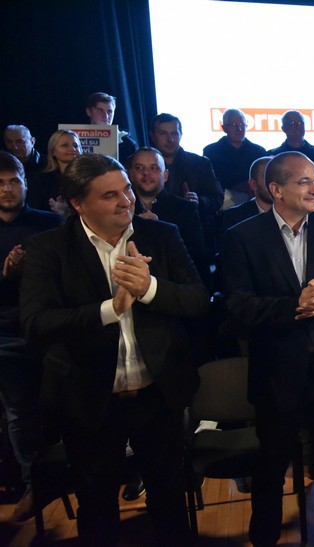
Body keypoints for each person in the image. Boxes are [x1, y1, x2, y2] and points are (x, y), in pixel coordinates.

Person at [20, 153, 209, 544]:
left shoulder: (161, 234)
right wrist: (110, 309)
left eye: (126, 189)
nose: (126, 200)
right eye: (110, 195)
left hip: (157, 394)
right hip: (89, 398)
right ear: (78, 203)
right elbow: (37, 324)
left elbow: (198, 300)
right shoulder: (48, 248)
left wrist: (150, 289)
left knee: (169, 499)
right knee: (97, 505)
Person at [222, 151, 314, 547]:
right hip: (276, 372)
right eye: (304, 181)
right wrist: (293, 306)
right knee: (270, 467)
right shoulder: (242, 236)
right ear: (276, 189)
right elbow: (238, 305)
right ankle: (264, 538)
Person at [0, 152, 62, 522]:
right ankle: (33, 483)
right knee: (18, 412)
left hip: (51, 329)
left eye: (13, 181)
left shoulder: (48, 223)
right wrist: (5, 276)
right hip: (6, 335)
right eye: (0, 183)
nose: (7, 189)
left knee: (65, 405)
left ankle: (73, 473)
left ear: (25, 182)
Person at [128, 147, 210, 287]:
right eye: (139, 168)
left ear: (165, 175)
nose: (146, 173)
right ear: (131, 174)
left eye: (154, 168)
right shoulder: (121, 209)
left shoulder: (186, 209)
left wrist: (159, 229)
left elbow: (197, 259)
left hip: (172, 287)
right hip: (129, 283)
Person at [149, 113, 223, 256]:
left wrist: (199, 200)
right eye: (163, 133)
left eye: (174, 133)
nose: (170, 139)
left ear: (181, 134)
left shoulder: (200, 164)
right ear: (152, 135)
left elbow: (217, 198)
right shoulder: (141, 166)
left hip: (195, 238)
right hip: (155, 237)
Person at [268, 110, 314, 207]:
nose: (297, 126)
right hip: (287, 207)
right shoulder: (274, 156)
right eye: (292, 123)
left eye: (300, 123)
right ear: (283, 128)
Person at [203, 109, 267, 208]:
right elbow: (211, 186)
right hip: (223, 204)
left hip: (256, 204)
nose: (239, 129)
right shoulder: (211, 151)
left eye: (242, 124)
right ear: (224, 128)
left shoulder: (259, 151)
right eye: (233, 125)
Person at [27, 129, 82, 216]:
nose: (72, 149)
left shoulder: (88, 179)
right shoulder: (41, 180)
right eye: (65, 145)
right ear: (53, 152)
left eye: (75, 145)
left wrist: (68, 211)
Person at [219, 155, 274, 236]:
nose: (275, 183)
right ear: (253, 184)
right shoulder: (233, 217)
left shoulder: (293, 212)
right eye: (268, 177)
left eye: (279, 177)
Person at [85, 92, 138, 161]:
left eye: (109, 112)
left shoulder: (128, 145)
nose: (106, 116)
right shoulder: (76, 140)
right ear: (89, 112)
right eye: (100, 111)